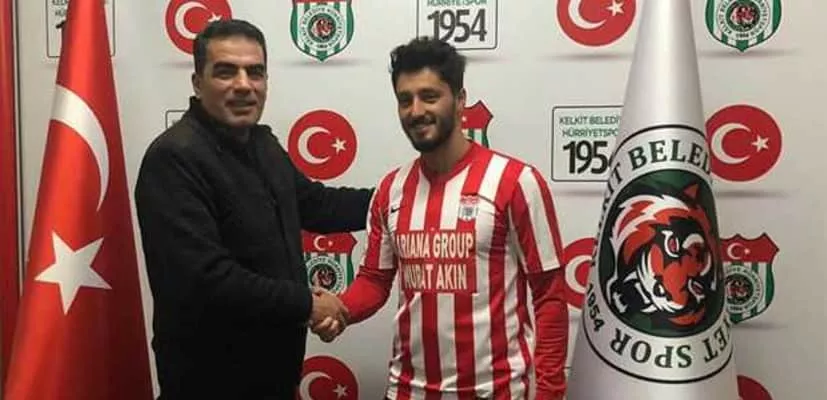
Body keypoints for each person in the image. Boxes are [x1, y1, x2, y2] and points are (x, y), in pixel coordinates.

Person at [312, 37, 569, 399]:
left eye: (429, 96)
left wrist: (550, 393)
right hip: (408, 391)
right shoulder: (390, 190)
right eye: (405, 99)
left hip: (496, 392)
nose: (416, 111)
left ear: (460, 99)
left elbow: (550, 296)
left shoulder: (515, 182)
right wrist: (340, 310)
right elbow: (374, 280)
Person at [134, 19, 371, 399]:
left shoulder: (262, 144)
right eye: (226, 72)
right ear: (197, 83)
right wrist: (306, 304)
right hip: (209, 386)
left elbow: (317, 205)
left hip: (273, 379)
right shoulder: (174, 159)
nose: (244, 84)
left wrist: (401, 196)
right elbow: (208, 279)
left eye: (255, 72)